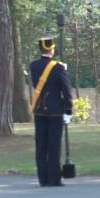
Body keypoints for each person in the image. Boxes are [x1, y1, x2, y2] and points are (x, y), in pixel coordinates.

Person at [30, 37, 73, 187]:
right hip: (55, 111)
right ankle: (54, 179)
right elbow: (66, 90)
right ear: (52, 49)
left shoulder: (33, 66)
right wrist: (68, 110)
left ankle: (43, 178)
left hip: (39, 110)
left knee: (41, 146)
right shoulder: (58, 67)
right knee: (54, 146)